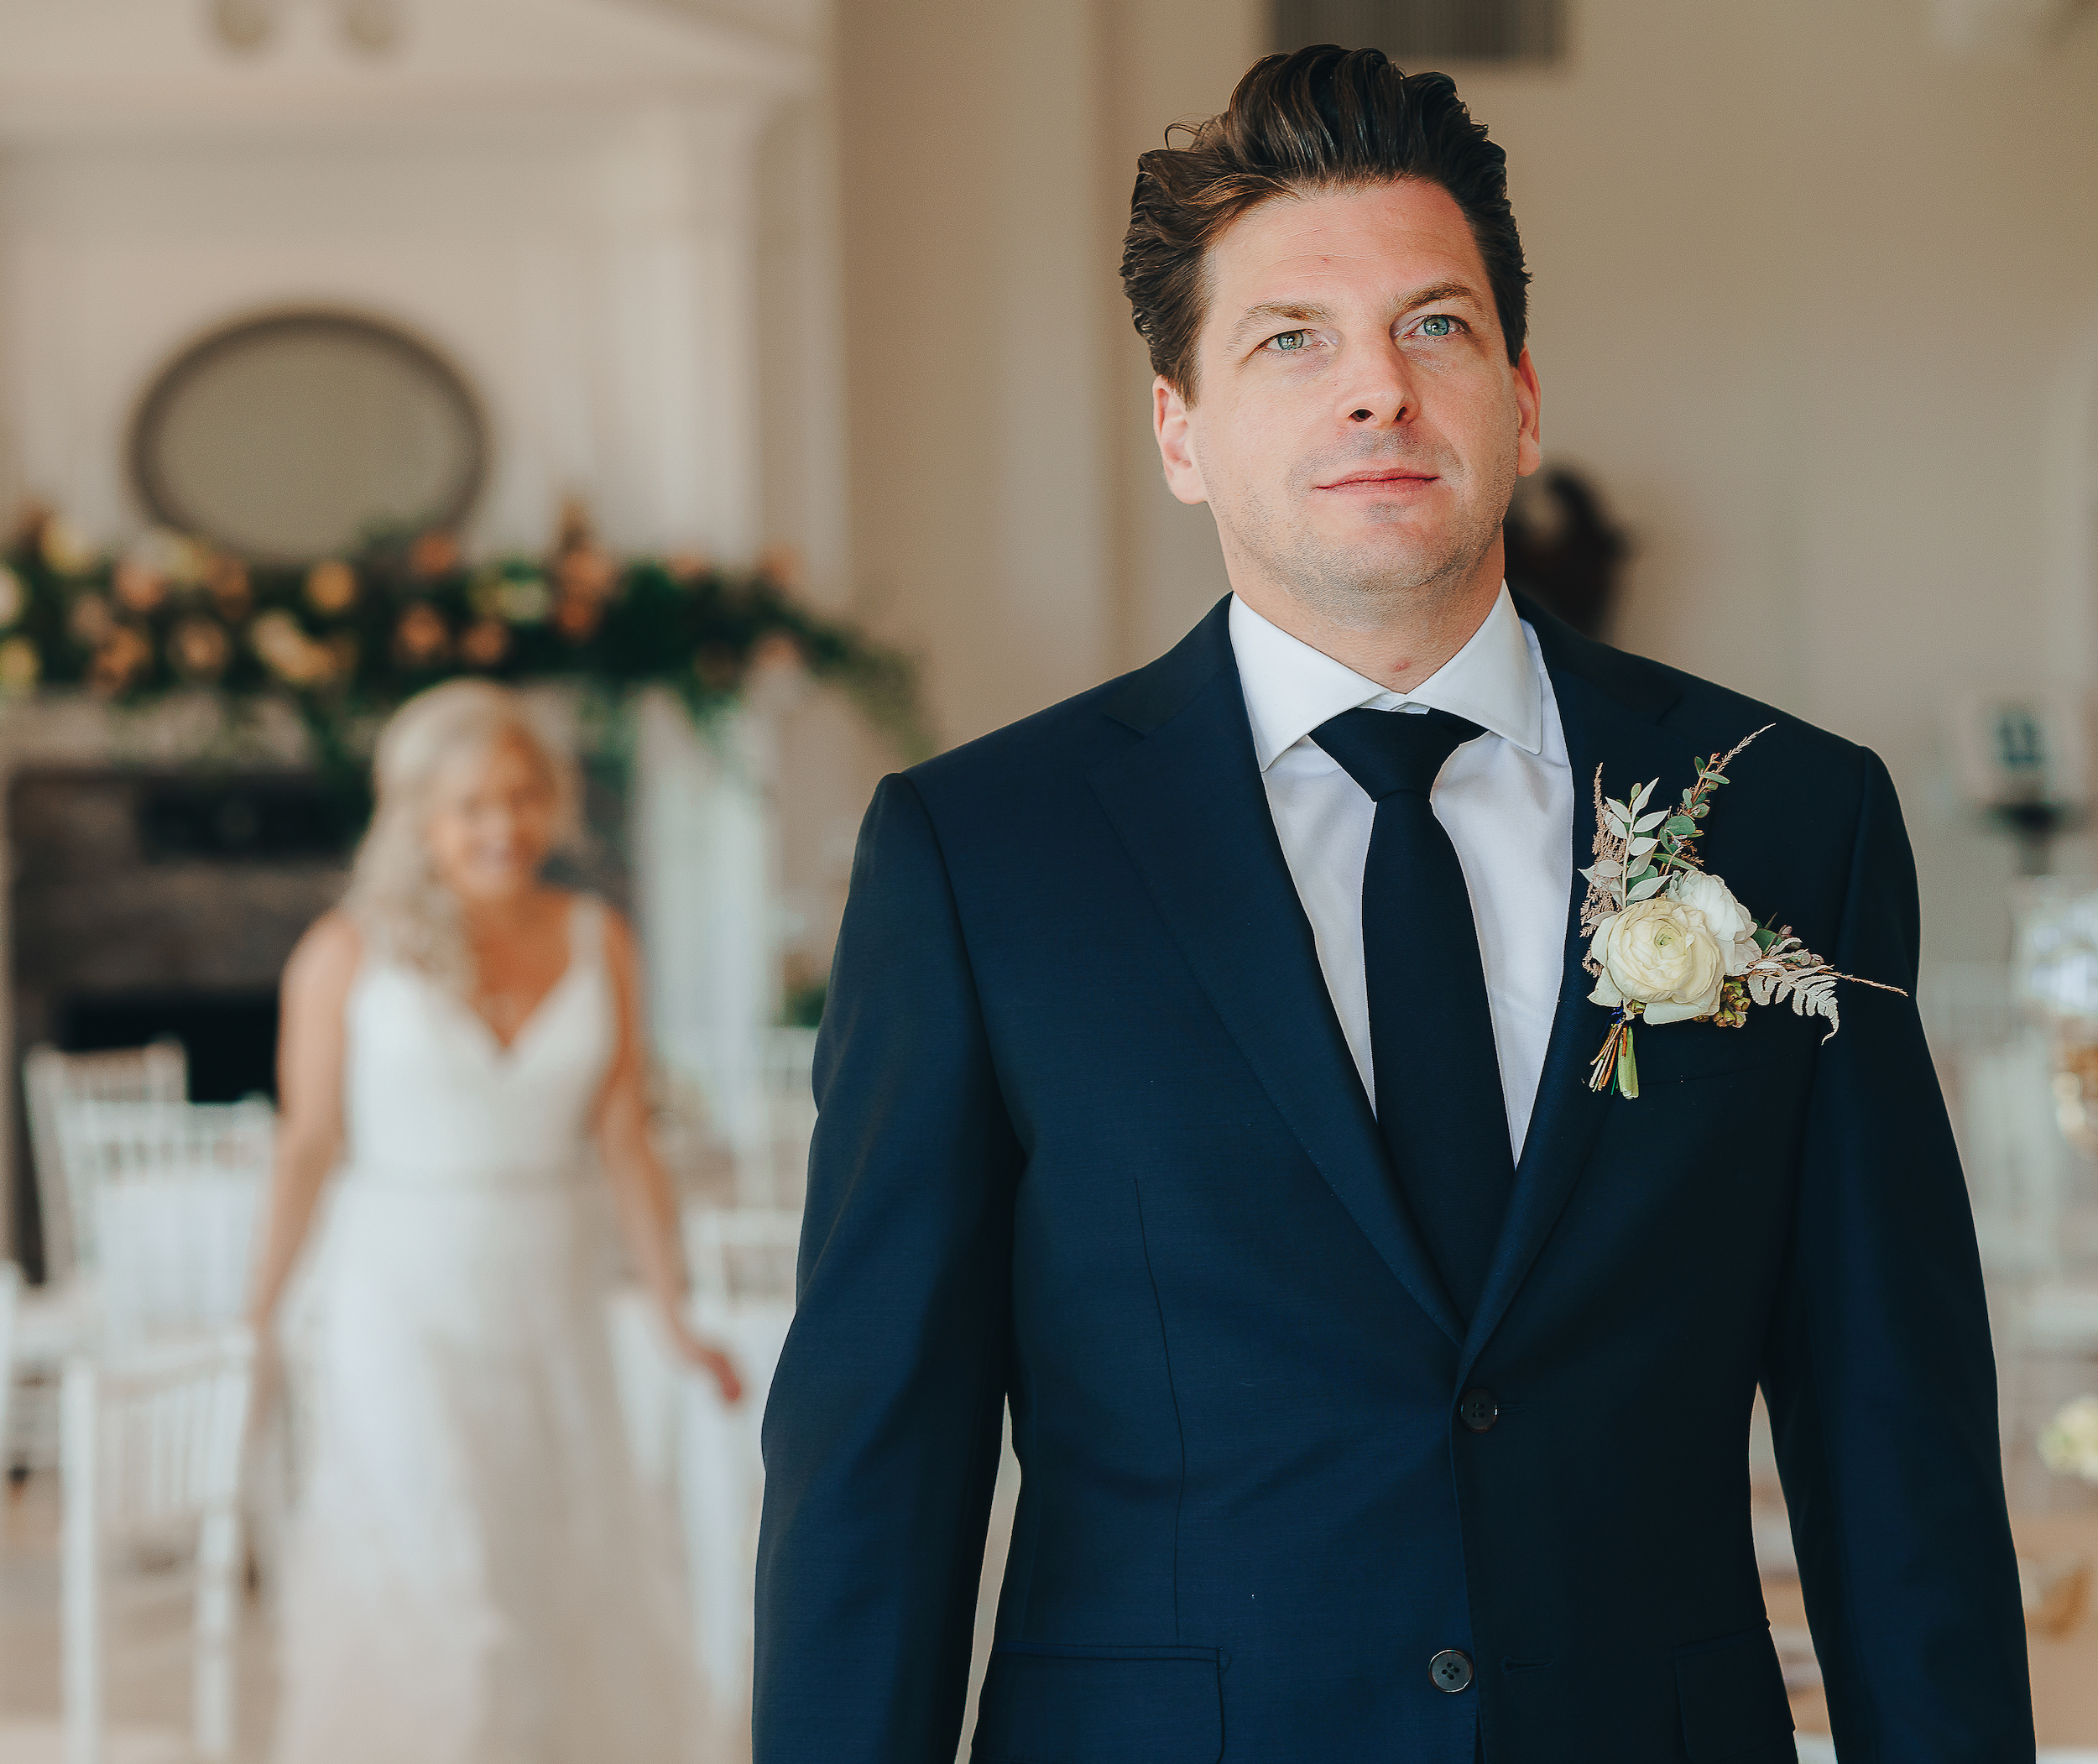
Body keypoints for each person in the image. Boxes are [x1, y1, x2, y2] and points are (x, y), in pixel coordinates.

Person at [754, 45, 2031, 1764]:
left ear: (1517, 392)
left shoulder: (1792, 817)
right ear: (1178, 431)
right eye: (1290, 338)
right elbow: (876, 1462)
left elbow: (1893, 1433)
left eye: (1430, 327)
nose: (1375, 390)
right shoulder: (980, 855)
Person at [250, 679, 740, 1764]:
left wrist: (673, 1316)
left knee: (552, 1557)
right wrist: (258, 1322)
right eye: (472, 803)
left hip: (552, 1290)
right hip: (399, 1297)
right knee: (445, 1571)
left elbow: (625, 1136)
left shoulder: (597, 934)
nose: (503, 826)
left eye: (522, 798)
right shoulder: (346, 952)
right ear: (418, 814)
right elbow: (307, 1143)